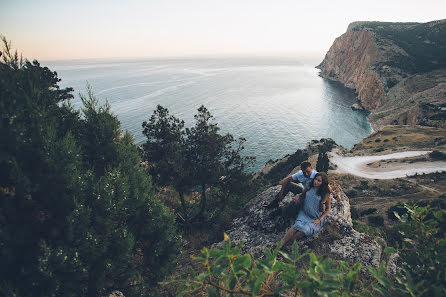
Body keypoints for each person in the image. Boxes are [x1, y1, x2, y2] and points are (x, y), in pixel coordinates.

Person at [280, 172, 331, 248]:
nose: (315, 182)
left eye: (319, 181)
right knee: (296, 226)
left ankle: (288, 244)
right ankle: (281, 243)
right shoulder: (309, 186)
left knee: (303, 231)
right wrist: (298, 196)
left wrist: (319, 220)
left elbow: (328, 209)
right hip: (305, 213)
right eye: (315, 179)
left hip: (315, 217)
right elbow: (302, 195)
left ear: (323, 183)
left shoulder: (325, 194)